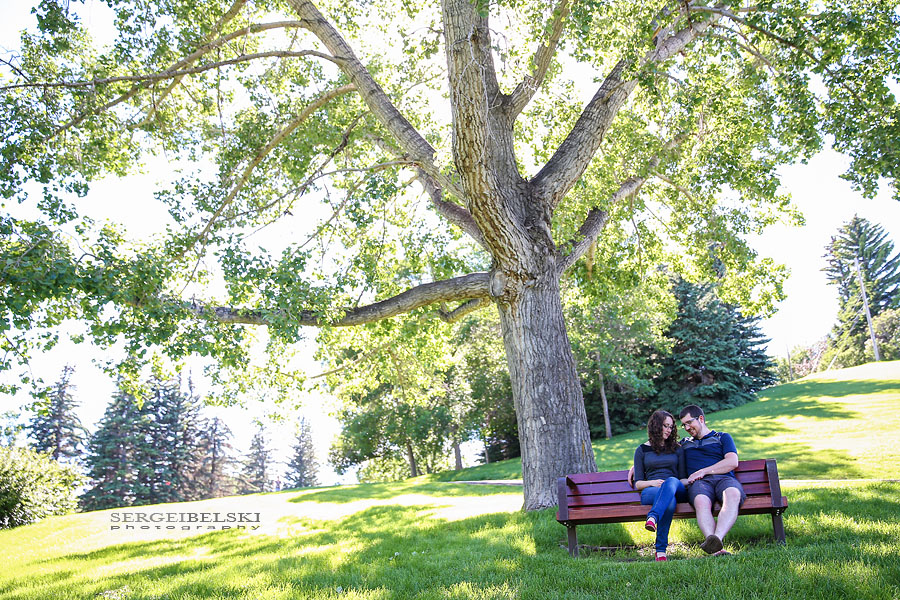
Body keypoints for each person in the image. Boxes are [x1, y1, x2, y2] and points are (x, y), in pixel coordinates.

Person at [678, 404, 746, 556]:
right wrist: (637, 465)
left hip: (724, 478)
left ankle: (716, 540)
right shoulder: (683, 443)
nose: (687, 427)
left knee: (733, 494)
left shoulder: (722, 437)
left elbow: (732, 462)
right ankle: (714, 544)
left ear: (701, 419)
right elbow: (658, 452)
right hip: (700, 484)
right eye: (684, 425)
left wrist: (704, 471)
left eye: (689, 422)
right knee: (701, 502)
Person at [632, 410, 687, 562]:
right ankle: (661, 552)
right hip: (651, 490)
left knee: (670, 481)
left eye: (671, 427)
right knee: (669, 502)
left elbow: (682, 478)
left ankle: (653, 516)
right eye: (665, 426)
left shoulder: (677, 448)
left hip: (675, 488)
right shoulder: (641, 450)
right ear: (656, 426)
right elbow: (638, 483)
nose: (669, 430)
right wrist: (652, 483)